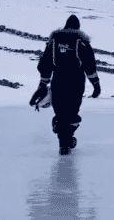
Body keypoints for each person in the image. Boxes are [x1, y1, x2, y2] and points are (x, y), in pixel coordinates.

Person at [30, 14, 101, 155]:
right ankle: (67, 139)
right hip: (76, 82)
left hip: (58, 81)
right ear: (78, 27)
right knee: (72, 112)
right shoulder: (82, 42)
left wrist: (43, 84)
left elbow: (45, 63)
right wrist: (96, 84)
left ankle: (63, 139)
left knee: (61, 112)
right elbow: (89, 65)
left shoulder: (54, 41)